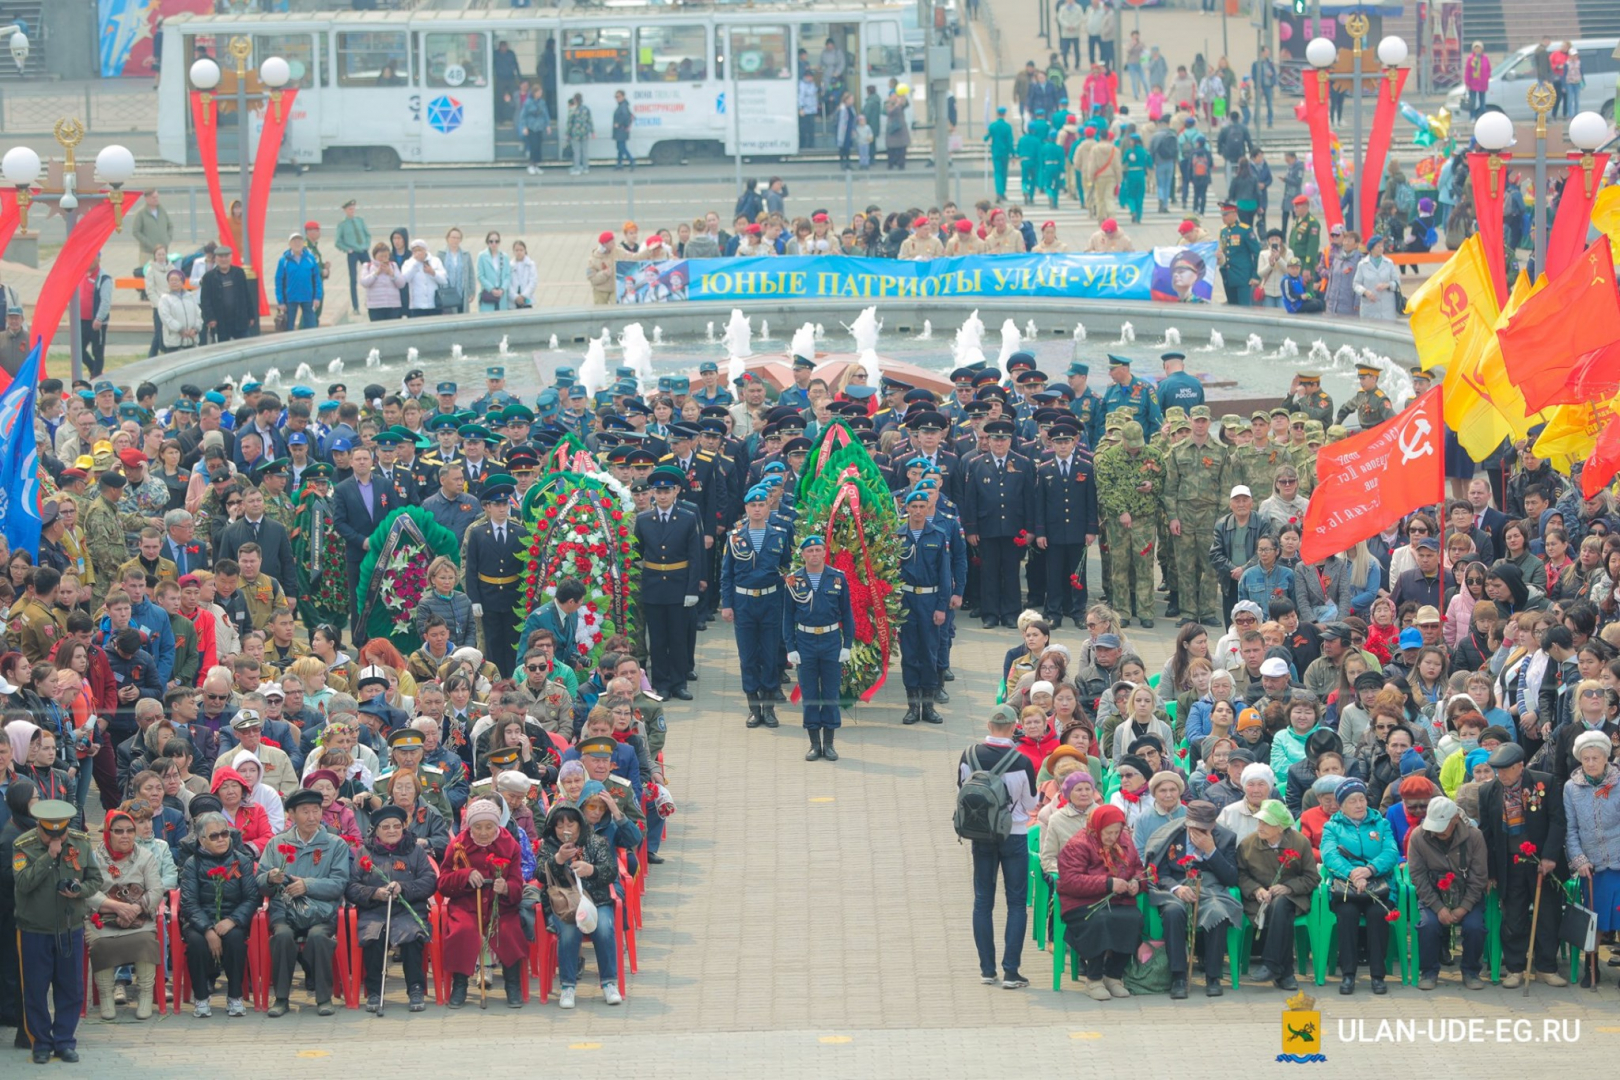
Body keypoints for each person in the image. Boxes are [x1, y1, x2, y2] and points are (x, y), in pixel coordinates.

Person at [13, 799, 99, 1063]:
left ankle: (64, 1041)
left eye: (60, 834)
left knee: (71, 989)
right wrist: (47, 857)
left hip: (69, 928)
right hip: (34, 930)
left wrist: (79, 892)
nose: (57, 840)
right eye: (50, 835)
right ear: (40, 828)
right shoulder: (23, 847)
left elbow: (95, 879)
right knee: (36, 989)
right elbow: (23, 883)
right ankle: (40, 1043)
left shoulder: (80, 842)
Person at [959, 707, 1038, 988]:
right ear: (1015, 726)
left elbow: (961, 793)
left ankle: (987, 969)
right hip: (1014, 835)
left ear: (989, 724)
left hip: (980, 836)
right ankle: (1011, 971)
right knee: (1016, 903)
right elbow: (1030, 805)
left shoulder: (968, 756)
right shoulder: (1022, 761)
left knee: (983, 901)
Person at [1478, 741, 1568, 986]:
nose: (1501, 775)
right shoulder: (1488, 792)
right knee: (1513, 916)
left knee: (1547, 915)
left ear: (1520, 766)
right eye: (1498, 770)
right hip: (1509, 864)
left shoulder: (1544, 783)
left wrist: (1549, 856)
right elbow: (1486, 834)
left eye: (1506, 769)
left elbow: (1558, 821)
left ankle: (1546, 967)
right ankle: (1515, 968)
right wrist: (1491, 872)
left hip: (1542, 863)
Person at [258, 786, 351, 1017]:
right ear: (291, 815)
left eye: (316, 811)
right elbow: (259, 883)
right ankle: (281, 998)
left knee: (319, 937)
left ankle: (323, 998)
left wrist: (307, 885)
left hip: (321, 911)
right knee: (282, 937)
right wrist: (270, 878)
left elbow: (340, 883)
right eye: (305, 811)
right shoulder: (276, 843)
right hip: (285, 910)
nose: (312, 817)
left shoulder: (335, 844)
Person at [1142, 799, 1242, 998]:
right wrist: (1177, 888)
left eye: (1205, 828)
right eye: (1194, 828)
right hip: (1177, 888)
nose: (1198, 832)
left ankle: (1213, 976)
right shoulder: (1171, 835)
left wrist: (1210, 850)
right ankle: (1178, 976)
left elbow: (1231, 878)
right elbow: (1158, 873)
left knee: (1218, 912)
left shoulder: (1225, 837)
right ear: (1187, 822)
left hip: (1210, 887)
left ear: (1213, 824)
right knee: (1173, 912)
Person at [347, 803, 436, 1012]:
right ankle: (375, 991)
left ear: (403, 828)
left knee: (412, 935)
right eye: (385, 827)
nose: (391, 831)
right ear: (376, 830)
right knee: (375, 936)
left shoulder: (415, 851)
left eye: (396, 826)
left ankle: (415, 988)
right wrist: (374, 893)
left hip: (408, 909)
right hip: (375, 910)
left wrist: (403, 888)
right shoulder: (364, 852)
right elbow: (351, 886)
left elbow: (429, 881)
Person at [438, 798, 526, 1008]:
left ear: (498, 825)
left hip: (500, 908)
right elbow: (442, 882)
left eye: (489, 827)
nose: (484, 832)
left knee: (508, 931)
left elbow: (517, 883)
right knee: (463, 931)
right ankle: (460, 985)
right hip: (467, 906)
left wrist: (506, 887)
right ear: (469, 826)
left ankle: (512, 985)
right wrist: (464, 876)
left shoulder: (509, 844)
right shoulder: (458, 845)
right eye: (478, 827)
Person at [1057, 802, 1145, 1000]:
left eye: (1116, 832)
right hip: (1081, 903)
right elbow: (1071, 881)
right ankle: (1094, 979)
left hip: (1118, 900)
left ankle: (1113, 975)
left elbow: (1138, 867)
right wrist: (1108, 883)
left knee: (1133, 919)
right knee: (1100, 920)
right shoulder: (1079, 844)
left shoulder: (1124, 840)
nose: (1113, 837)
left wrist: (1136, 883)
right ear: (1097, 827)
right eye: (1108, 832)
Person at [721, 486, 791, 729]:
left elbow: (788, 570)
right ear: (746, 508)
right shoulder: (735, 537)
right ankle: (753, 706)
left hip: (771, 602)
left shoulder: (780, 535)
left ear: (768, 506)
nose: (758, 509)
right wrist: (727, 605)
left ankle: (769, 707)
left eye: (762, 505)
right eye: (753, 505)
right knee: (748, 656)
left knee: (770, 655)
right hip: (744, 603)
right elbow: (726, 574)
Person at [539, 801, 621, 1008]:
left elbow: (610, 871)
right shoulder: (548, 845)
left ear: (579, 824)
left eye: (570, 824)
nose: (565, 829)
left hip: (595, 901)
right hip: (563, 904)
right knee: (568, 931)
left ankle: (609, 983)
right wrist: (557, 860)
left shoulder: (595, 842)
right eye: (559, 825)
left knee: (603, 928)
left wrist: (591, 870)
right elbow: (538, 873)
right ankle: (567, 986)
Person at [175, 808, 256, 1017]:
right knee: (197, 943)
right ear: (202, 841)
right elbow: (189, 903)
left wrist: (232, 921)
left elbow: (251, 898)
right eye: (214, 836)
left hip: (232, 920)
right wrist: (208, 929)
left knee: (236, 940)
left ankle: (235, 997)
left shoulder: (242, 861)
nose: (221, 839)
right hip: (200, 921)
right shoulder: (193, 864)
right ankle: (201, 998)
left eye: (225, 834)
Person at [1320, 777, 1397, 994]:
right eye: (1352, 801)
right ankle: (1348, 974)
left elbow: (1391, 852)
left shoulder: (1381, 823)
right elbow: (1330, 855)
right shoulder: (1332, 826)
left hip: (1379, 883)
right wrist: (1353, 873)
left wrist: (1370, 870)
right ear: (1341, 805)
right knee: (1347, 914)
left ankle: (1378, 975)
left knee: (1377, 914)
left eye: (1361, 799)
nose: (1358, 805)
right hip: (1346, 887)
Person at [85, 806, 164, 1020]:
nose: (125, 835)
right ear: (107, 832)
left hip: (139, 918)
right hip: (103, 919)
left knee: (146, 941)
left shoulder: (145, 856)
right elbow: (88, 891)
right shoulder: (94, 857)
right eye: (118, 831)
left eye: (130, 830)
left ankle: (146, 995)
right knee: (102, 944)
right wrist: (117, 907)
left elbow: (157, 889)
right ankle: (106, 997)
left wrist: (135, 908)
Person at [784, 534, 856, 762]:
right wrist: (790, 647)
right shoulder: (793, 580)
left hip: (831, 640)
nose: (814, 554)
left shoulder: (837, 578)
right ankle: (814, 744)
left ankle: (830, 743)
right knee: (811, 694)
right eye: (809, 551)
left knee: (831, 693)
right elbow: (787, 617)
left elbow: (847, 614)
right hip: (805, 641)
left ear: (825, 552)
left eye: (818, 550)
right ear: (803, 554)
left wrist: (847, 645)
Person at [1407, 794, 1488, 991]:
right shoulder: (1418, 836)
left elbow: (1479, 877)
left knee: (1475, 926)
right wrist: (1438, 907)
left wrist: (1464, 907)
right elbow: (1418, 876)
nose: (1437, 833)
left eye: (1442, 828)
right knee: (1427, 925)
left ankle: (1471, 971)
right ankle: (1428, 971)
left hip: (1467, 893)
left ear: (1455, 820)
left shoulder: (1474, 836)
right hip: (1434, 894)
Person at [1236, 799, 1318, 989]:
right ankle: (1285, 973)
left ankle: (1271, 964)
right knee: (1278, 910)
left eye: (1266, 823)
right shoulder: (1248, 844)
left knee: (1281, 905)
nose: (1260, 826)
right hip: (1259, 899)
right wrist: (1256, 889)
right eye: (1260, 822)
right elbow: (1240, 874)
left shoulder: (1299, 842)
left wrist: (1289, 887)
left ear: (1280, 828)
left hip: (1293, 897)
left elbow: (1312, 877)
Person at [273, 232, 323, 331]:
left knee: (311, 326)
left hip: (308, 297)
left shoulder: (310, 258)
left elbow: (317, 278)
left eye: (299, 241)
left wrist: (317, 297)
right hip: (290, 298)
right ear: (289, 244)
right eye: (294, 241)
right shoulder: (284, 260)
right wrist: (281, 301)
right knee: (288, 327)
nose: (297, 244)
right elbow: (279, 281)